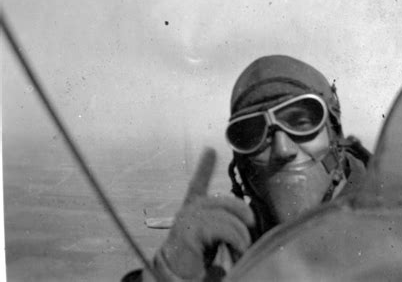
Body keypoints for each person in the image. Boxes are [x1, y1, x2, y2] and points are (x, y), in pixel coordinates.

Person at [123, 55, 370, 282]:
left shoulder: (397, 229)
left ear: (334, 135)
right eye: (254, 135)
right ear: (242, 162)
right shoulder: (227, 258)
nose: (282, 149)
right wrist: (169, 273)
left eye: (301, 122)